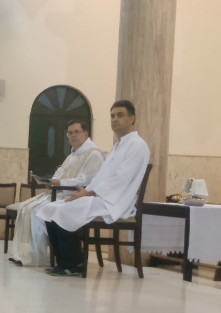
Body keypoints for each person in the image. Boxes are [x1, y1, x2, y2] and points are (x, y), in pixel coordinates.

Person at [36, 100, 150, 276]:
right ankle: (63, 262)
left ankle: (74, 264)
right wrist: (85, 192)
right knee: (51, 208)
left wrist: (90, 193)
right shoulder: (118, 146)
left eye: (120, 115)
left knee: (67, 209)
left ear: (132, 119)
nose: (115, 119)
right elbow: (101, 176)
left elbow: (121, 179)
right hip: (101, 197)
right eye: (112, 116)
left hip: (116, 201)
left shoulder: (138, 145)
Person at [7, 119, 103, 267]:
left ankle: (35, 256)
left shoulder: (93, 154)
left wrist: (60, 183)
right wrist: (52, 182)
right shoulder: (72, 155)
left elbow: (87, 180)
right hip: (59, 193)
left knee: (37, 211)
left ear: (86, 133)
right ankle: (23, 254)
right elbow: (59, 173)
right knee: (26, 208)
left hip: (75, 196)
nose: (73, 135)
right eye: (70, 133)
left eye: (76, 132)